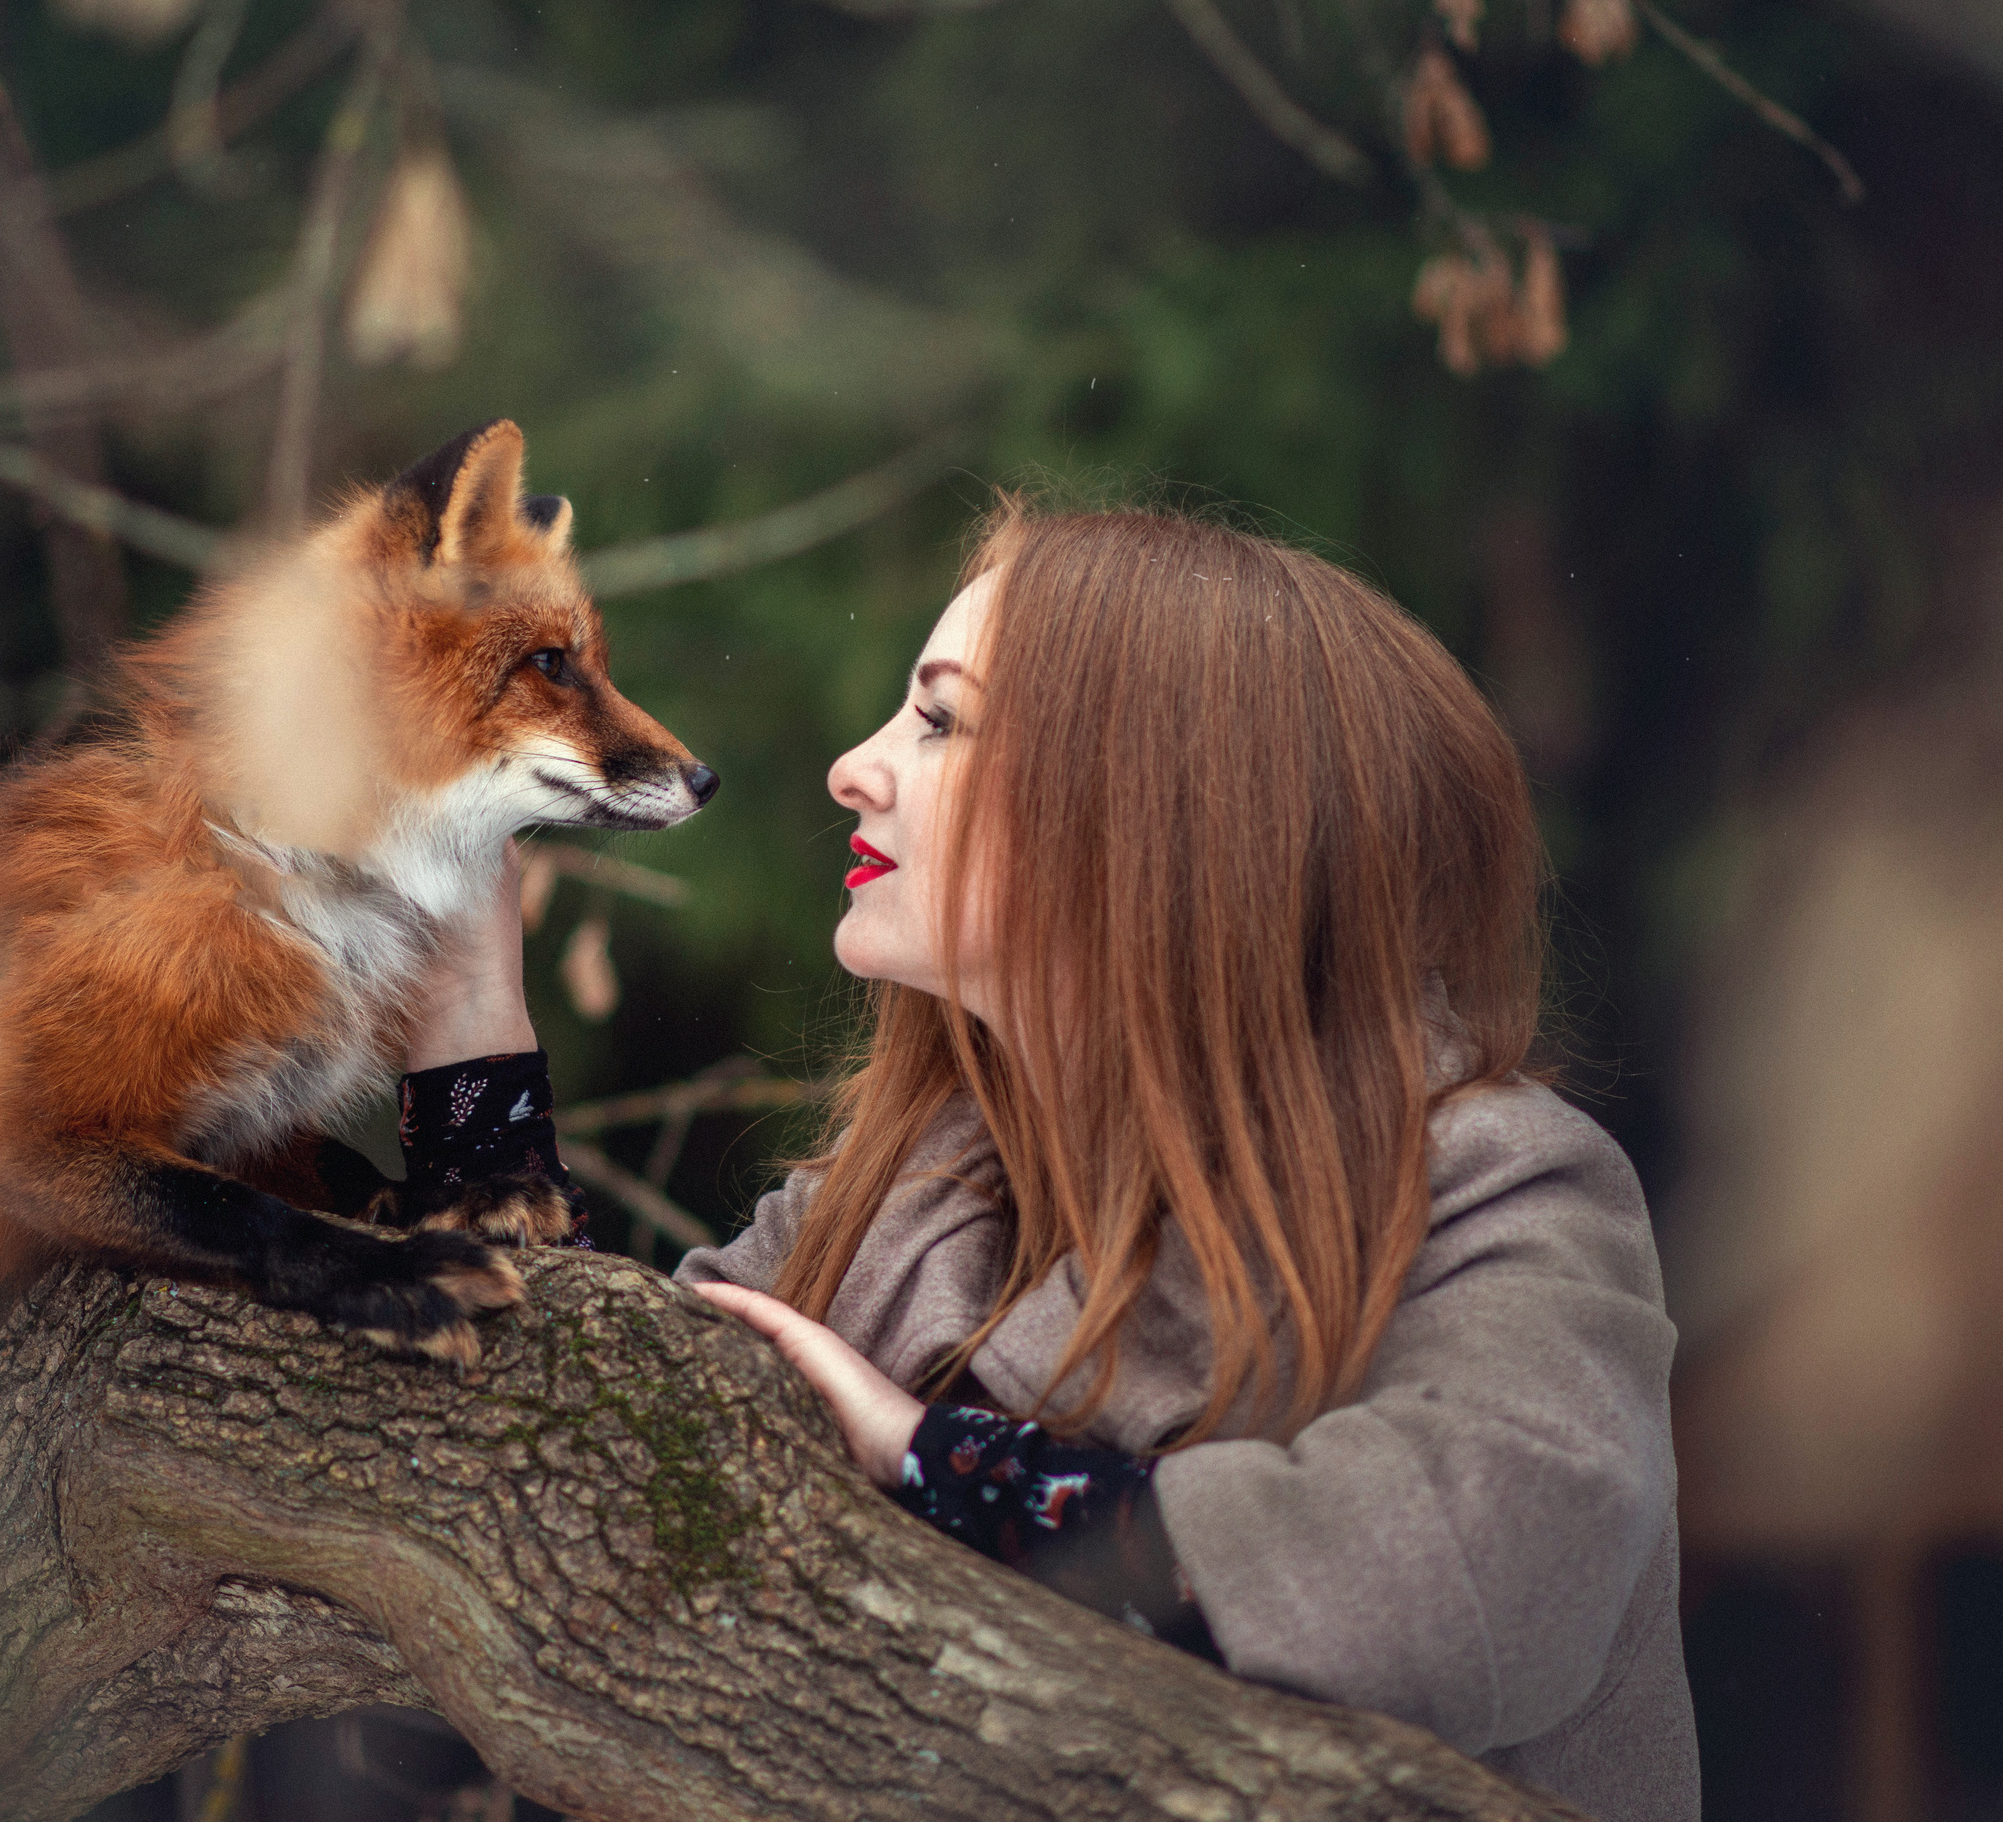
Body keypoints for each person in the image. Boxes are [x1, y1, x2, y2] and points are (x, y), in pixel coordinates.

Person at [398, 502, 1697, 1822]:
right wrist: (470, 1031)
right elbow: (564, 1473)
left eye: (941, 721)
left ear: (1161, 801)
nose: (854, 766)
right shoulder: (899, 1201)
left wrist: (940, 1461)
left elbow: (1462, 1575)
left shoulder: (1502, 1185)